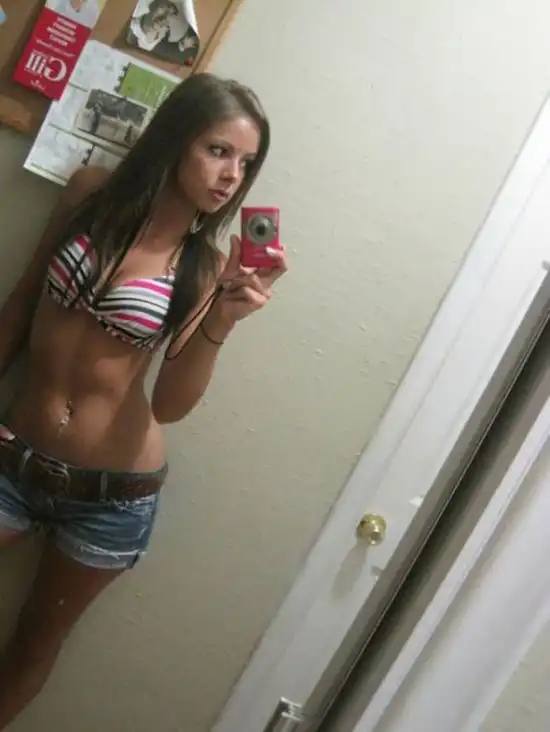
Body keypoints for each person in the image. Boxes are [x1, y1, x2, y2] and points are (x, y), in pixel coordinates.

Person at [0, 73, 287, 728]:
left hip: (112, 496)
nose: (232, 176)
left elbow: (172, 404)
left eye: (247, 164)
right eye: (219, 151)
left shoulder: (204, 265)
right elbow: (20, 304)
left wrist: (223, 320)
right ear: (177, 138)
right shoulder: (89, 194)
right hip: (13, 460)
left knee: (35, 641)